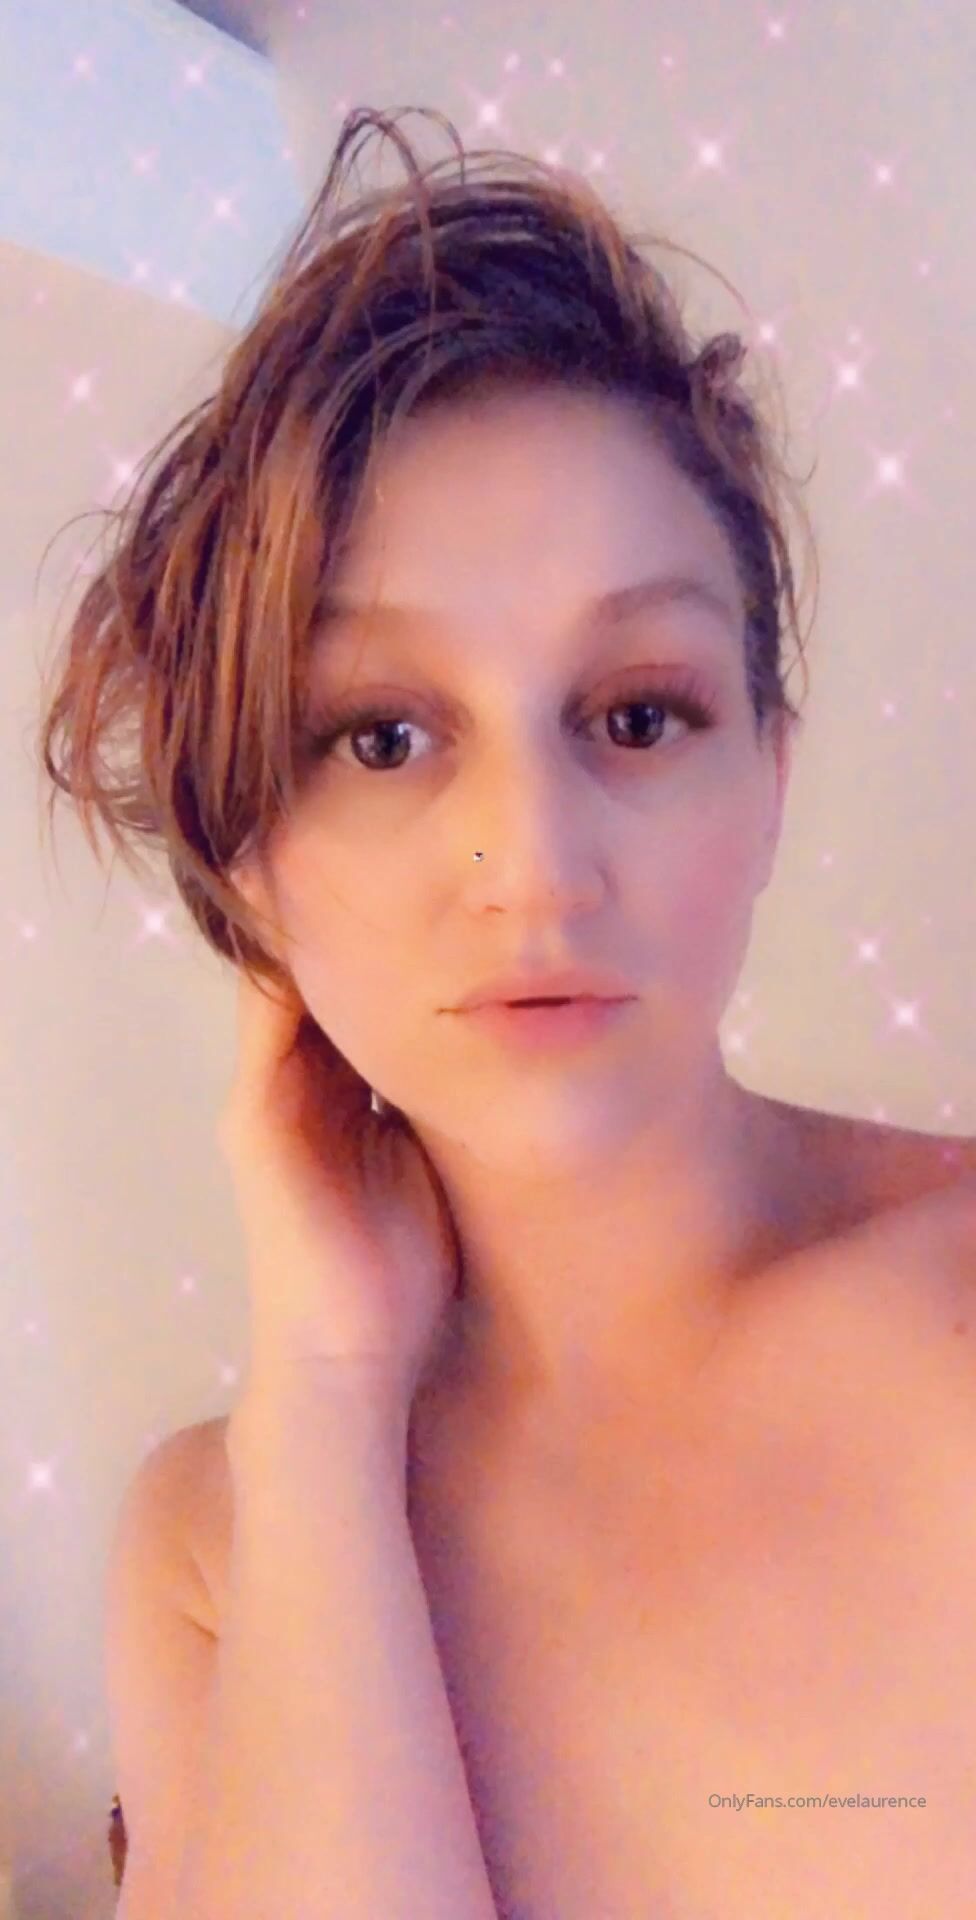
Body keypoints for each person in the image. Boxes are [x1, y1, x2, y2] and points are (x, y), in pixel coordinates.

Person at [38, 106, 976, 1918]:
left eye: (636, 715)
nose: (534, 864)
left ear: (769, 776)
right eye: (384, 736)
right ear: (245, 861)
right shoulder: (215, 1547)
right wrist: (327, 1396)